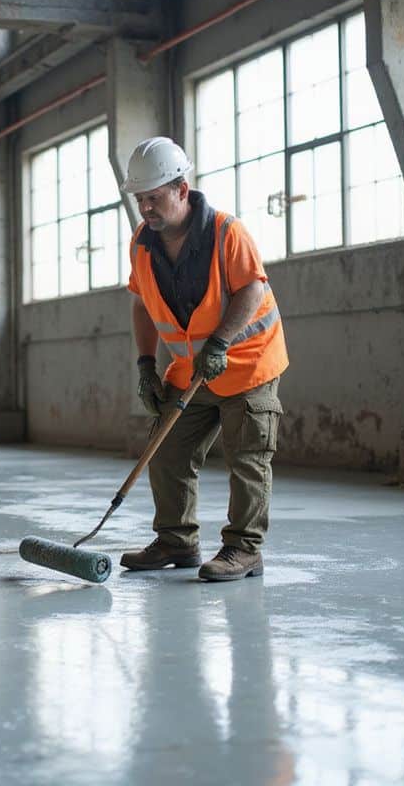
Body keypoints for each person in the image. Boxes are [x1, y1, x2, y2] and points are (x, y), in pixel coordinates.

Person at [120, 138, 289, 581]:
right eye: (140, 200)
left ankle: (244, 549)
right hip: (191, 372)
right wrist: (145, 365)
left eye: (153, 198)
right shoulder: (142, 244)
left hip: (248, 363)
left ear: (181, 188)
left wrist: (220, 343)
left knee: (247, 457)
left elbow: (252, 288)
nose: (146, 209)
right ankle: (176, 541)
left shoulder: (226, 232)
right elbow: (141, 304)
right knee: (167, 449)